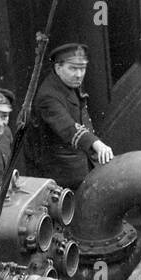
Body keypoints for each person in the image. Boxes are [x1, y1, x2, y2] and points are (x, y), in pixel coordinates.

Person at [33, 42, 113, 189]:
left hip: (81, 161)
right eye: (73, 68)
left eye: (82, 68)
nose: (79, 74)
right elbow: (68, 127)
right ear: (58, 68)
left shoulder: (69, 81)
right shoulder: (48, 96)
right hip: (63, 174)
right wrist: (96, 143)